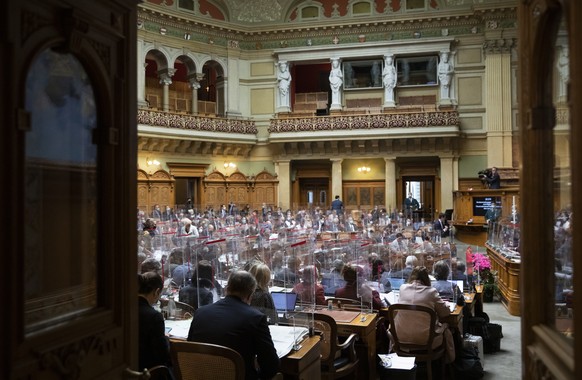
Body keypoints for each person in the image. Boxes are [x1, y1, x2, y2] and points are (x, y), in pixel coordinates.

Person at [187, 271, 280, 380]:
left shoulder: (200, 312)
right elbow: (271, 365)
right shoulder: (256, 318)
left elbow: (189, 350)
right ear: (250, 294)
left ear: (227, 288)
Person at [396, 266, 456, 363]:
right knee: (448, 327)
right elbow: (445, 313)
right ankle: (450, 365)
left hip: (401, 339)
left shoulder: (402, 288)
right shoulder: (431, 292)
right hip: (426, 341)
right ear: (427, 278)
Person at [138, 271, 172, 372]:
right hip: (149, 371)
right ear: (156, 292)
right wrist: (165, 338)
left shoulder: (126, 308)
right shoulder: (154, 316)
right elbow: (162, 354)